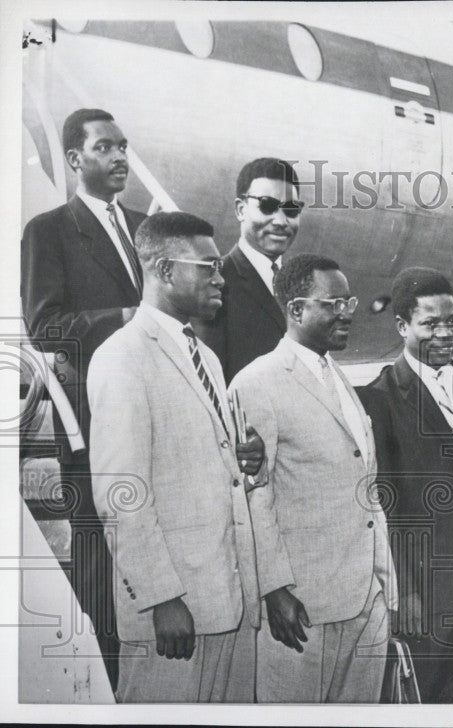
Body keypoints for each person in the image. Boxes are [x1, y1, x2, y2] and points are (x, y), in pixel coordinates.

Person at [87, 211, 265, 702]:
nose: (221, 277)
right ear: (165, 271)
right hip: (174, 616)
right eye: (208, 266)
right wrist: (162, 597)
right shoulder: (122, 358)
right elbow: (121, 494)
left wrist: (249, 462)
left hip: (228, 603)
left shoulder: (204, 355)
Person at [230, 254, 397, 703]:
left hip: (366, 598)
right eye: (333, 303)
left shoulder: (339, 376)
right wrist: (274, 589)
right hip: (302, 606)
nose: (347, 313)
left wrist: (384, 584)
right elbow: (252, 495)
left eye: (350, 301)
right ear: (296, 309)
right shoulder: (257, 382)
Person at [21, 108, 147, 688]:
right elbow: (46, 325)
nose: (119, 156)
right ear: (75, 160)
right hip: (93, 423)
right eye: (105, 148)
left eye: (123, 146)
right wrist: (124, 317)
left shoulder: (146, 229)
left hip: (154, 416)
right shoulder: (48, 231)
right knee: (100, 567)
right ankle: (108, 689)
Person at [358, 267, 453, 703]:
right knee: (430, 701)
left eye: (451, 320)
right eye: (430, 323)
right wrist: (406, 593)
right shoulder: (380, 398)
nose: (445, 333)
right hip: (429, 596)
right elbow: (387, 507)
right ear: (402, 327)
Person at [197, 157, 303, 382]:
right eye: (267, 206)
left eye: (291, 210)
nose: (281, 221)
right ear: (240, 209)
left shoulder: (301, 285)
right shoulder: (214, 283)